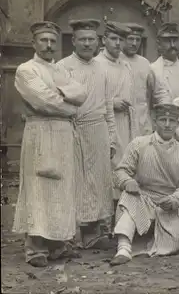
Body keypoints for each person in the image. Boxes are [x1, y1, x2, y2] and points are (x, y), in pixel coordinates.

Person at [13, 21, 87, 267]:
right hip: (41, 132)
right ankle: (36, 249)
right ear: (34, 43)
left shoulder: (61, 70)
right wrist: (69, 106)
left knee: (63, 189)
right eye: (43, 40)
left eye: (53, 41)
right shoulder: (26, 70)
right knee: (39, 187)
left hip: (64, 134)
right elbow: (43, 101)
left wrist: (64, 96)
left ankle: (59, 244)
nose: (48, 45)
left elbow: (81, 93)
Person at [110, 103, 179, 266]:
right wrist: (128, 181)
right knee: (129, 196)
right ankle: (124, 248)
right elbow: (120, 171)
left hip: (166, 204)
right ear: (155, 122)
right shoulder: (139, 143)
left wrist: (175, 200)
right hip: (142, 198)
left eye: (172, 121)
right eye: (163, 120)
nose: (168, 124)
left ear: (177, 125)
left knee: (173, 245)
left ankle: (155, 240)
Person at [57, 19, 116, 249]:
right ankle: (70, 235)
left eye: (91, 39)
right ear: (73, 41)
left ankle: (92, 234)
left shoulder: (102, 68)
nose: (87, 43)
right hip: (74, 128)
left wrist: (111, 137)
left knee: (96, 183)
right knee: (74, 182)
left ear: (97, 42)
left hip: (98, 129)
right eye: (82, 39)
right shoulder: (63, 67)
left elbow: (108, 104)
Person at [95, 21, 137, 200]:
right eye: (113, 38)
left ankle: (121, 212)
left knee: (125, 166)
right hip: (104, 123)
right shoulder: (96, 64)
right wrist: (112, 103)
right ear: (104, 40)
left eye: (121, 39)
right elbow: (91, 96)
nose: (118, 43)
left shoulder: (125, 65)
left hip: (125, 123)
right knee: (106, 167)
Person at [122, 22, 171, 135]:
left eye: (138, 40)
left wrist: (166, 107)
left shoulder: (144, 63)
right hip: (120, 122)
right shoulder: (115, 61)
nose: (134, 43)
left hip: (142, 122)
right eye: (130, 39)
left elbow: (159, 91)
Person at [150, 22, 179, 100]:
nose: (172, 45)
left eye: (175, 40)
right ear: (159, 44)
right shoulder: (153, 70)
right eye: (167, 41)